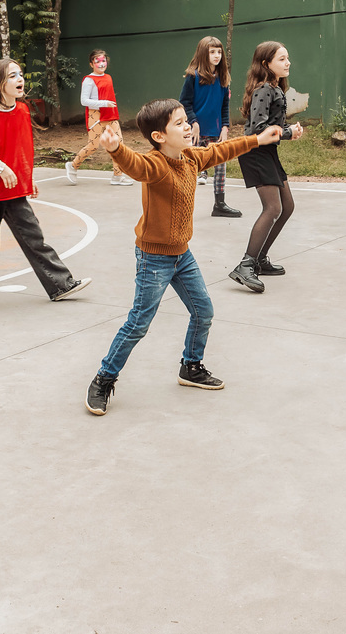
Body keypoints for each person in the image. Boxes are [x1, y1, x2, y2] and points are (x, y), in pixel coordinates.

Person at [85, 98, 282, 415]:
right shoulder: (155, 165)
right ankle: (104, 378)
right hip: (154, 259)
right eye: (178, 123)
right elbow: (134, 165)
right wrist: (115, 149)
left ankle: (191, 367)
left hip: (182, 256)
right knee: (138, 324)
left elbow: (220, 151)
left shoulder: (190, 158)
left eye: (185, 120)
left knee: (203, 312)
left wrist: (257, 139)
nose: (188, 127)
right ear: (158, 137)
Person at [0, 58, 92, 313]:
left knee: (33, 236)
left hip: (14, 185)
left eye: (20, 74)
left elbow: (22, 148)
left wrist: (27, 178)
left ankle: (60, 286)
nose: (19, 79)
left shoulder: (21, 110)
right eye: (12, 76)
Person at [229, 41, 305, 293]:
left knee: (288, 207)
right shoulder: (264, 89)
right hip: (255, 151)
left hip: (267, 152)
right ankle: (246, 265)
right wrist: (287, 132)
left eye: (287, 58)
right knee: (273, 208)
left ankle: (260, 259)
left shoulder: (275, 88)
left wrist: (288, 133)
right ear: (266, 64)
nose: (288, 62)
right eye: (282, 59)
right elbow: (257, 129)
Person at [179, 35, 241, 218]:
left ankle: (219, 204)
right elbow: (184, 103)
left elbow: (224, 106)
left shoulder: (223, 78)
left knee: (221, 167)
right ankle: (182, 205)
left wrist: (225, 127)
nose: (217, 55)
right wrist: (193, 123)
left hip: (216, 131)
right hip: (197, 133)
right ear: (203, 54)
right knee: (190, 170)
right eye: (212, 52)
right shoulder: (193, 76)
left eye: (219, 52)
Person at [64, 48, 132, 187]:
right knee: (93, 146)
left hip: (111, 115)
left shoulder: (108, 77)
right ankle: (73, 165)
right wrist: (103, 103)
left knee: (118, 144)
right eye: (98, 61)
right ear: (91, 64)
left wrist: (109, 106)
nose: (101, 64)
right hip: (96, 116)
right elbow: (84, 101)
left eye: (104, 60)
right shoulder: (89, 80)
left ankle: (117, 176)